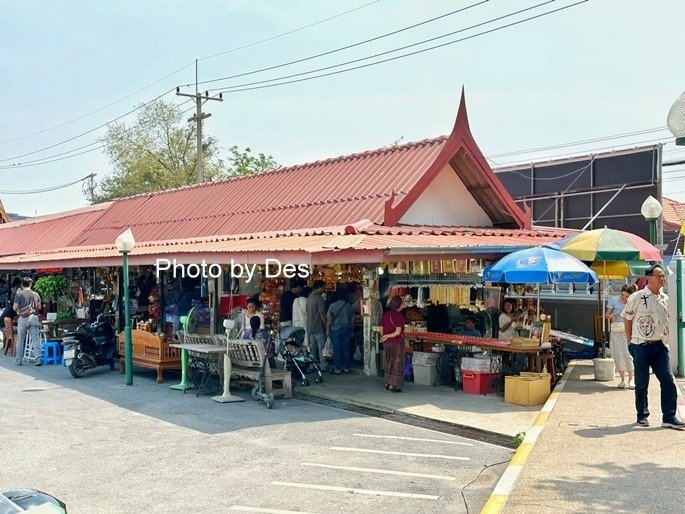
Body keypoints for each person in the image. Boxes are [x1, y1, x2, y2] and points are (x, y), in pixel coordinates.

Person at [622, 264, 684, 430]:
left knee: (668, 380)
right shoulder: (637, 297)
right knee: (642, 382)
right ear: (649, 278)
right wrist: (630, 342)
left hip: (659, 346)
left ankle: (669, 417)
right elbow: (627, 319)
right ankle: (642, 415)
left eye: (663, 276)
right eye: (659, 276)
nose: (662, 279)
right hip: (640, 345)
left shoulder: (664, 298)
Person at [606, 283, 637, 389]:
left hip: (627, 330)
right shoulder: (613, 300)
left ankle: (631, 379)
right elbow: (607, 314)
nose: (624, 298)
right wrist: (611, 316)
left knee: (627, 354)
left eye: (626, 296)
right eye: (622, 295)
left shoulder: (633, 302)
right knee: (617, 354)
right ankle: (622, 380)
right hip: (616, 330)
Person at [13, 277, 42, 366]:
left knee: (20, 340)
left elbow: (14, 307)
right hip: (34, 318)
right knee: (35, 339)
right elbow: (40, 307)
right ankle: (38, 360)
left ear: (22, 284)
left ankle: (18, 360)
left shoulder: (19, 294)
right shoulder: (36, 294)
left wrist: (18, 311)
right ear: (31, 284)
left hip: (23, 318)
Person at [381, 295, 406, 392]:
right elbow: (397, 332)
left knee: (388, 361)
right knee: (397, 362)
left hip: (386, 343)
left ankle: (387, 383)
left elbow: (381, 328)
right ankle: (393, 385)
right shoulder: (399, 316)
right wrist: (388, 336)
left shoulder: (385, 314)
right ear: (399, 305)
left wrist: (384, 336)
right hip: (396, 343)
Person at [326, 290, 355, 374]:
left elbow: (329, 320)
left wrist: (327, 330)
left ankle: (338, 368)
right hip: (346, 328)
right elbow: (353, 320)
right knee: (346, 348)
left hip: (336, 329)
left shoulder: (332, 306)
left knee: (337, 349)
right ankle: (347, 367)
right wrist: (351, 330)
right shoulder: (349, 306)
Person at [306, 280, 329, 372]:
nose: (324, 289)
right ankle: (324, 366)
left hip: (310, 326)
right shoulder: (319, 298)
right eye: (323, 287)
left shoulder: (309, 297)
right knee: (322, 347)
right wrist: (327, 325)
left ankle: (312, 366)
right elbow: (322, 313)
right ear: (319, 287)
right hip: (318, 326)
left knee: (312, 348)